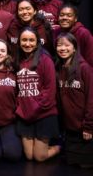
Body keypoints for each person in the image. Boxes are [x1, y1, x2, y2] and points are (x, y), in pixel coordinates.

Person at [15, 27, 60, 161]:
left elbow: (49, 91)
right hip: (24, 115)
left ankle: (60, 147)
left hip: (43, 113)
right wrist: (20, 107)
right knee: (29, 156)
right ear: (19, 42)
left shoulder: (45, 59)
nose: (27, 44)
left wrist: (34, 109)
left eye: (31, 40)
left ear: (37, 42)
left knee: (40, 157)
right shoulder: (18, 60)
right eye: (24, 40)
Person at [55, 32, 93, 168]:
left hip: (86, 130)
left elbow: (91, 99)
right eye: (59, 45)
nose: (63, 48)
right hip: (70, 130)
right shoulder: (59, 70)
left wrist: (89, 126)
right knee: (71, 164)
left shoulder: (85, 68)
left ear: (75, 47)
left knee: (85, 166)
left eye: (67, 45)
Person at [55, 0, 93, 67]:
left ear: (75, 19)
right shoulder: (55, 32)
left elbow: (91, 59)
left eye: (69, 16)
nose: (64, 18)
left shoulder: (84, 33)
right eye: (61, 15)